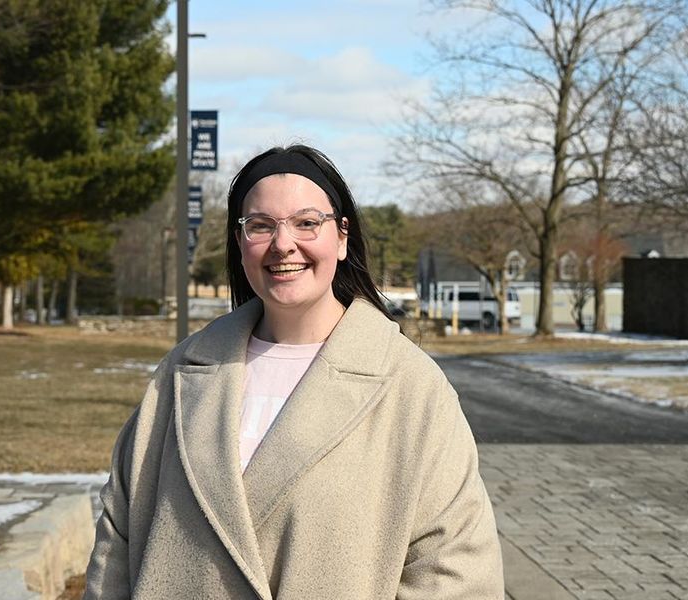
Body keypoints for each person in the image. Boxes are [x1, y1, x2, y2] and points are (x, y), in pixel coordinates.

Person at [83, 144, 504, 599]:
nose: (283, 243)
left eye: (307, 223)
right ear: (240, 242)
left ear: (342, 237)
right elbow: (116, 546)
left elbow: (457, 568)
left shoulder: (410, 386)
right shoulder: (180, 374)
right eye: (261, 225)